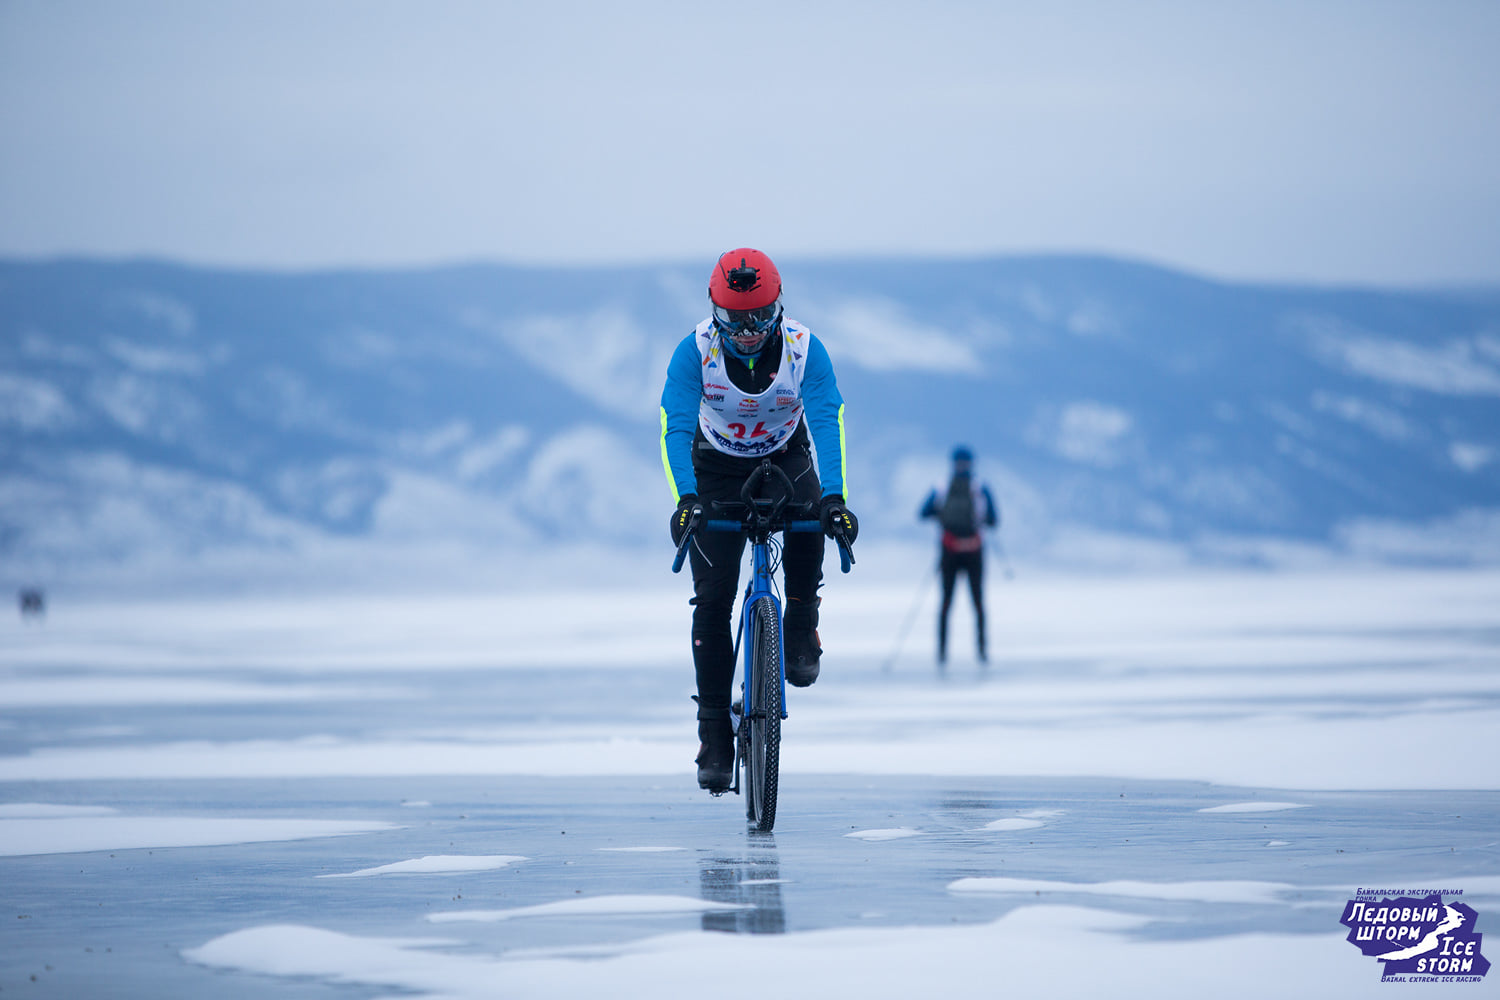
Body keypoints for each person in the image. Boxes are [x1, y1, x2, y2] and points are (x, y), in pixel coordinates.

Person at [660, 248, 858, 793]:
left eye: (758, 319)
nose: (746, 332)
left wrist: (836, 499)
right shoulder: (692, 354)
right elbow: (675, 428)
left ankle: (800, 623)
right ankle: (714, 735)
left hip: (784, 459)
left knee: (812, 521)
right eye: (733, 321)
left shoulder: (804, 349)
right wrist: (687, 499)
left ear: (778, 309)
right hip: (715, 469)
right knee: (713, 602)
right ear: (713, 312)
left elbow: (826, 418)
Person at [919, 446, 998, 665]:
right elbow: (994, 520)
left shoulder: (941, 487)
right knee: (978, 603)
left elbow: (923, 512)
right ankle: (982, 651)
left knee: (945, 603)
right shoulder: (980, 488)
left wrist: (941, 516)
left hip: (949, 551)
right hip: (974, 551)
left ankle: (942, 653)